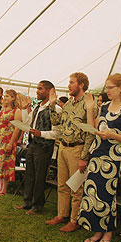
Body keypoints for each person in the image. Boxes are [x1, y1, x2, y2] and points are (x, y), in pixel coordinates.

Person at [78, 73, 121, 242]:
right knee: (93, 193)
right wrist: (90, 109)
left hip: (112, 159)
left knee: (106, 195)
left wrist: (113, 135)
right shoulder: (104, 106)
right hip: (97, 154)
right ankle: (97, 230)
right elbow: (94, 129)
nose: (107, 91)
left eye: (110, 87)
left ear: (120, 88)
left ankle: (108, 233)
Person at [45, 72, 98, 233]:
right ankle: (62, 215)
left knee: (76, 187)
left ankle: (75, 220)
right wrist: (52, 105)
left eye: (72, 82)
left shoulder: (89, 105)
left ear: (81, 85)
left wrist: (84, 156)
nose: (69, 85)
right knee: (62, 185)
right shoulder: (68, 104)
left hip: (78, 148)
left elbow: (91, 132)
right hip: (63, 147)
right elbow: (55, 122)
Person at [14, 81, 57, 214]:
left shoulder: (55, 109)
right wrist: (24, 109)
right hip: (32, 145)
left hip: (44, 147)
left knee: (39, 177)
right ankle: (27, 202)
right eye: (37, 88)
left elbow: (57, 132)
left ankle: (37, 205)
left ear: (49, 91)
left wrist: (41, 133)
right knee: (30, 174)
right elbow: (28, 123)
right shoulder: (38, 107)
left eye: (40, 89)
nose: (37, 91)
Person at [0, 89, 21, 196]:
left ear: (13, 98)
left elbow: (17, 128)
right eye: (5, 96)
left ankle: (4, 189)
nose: (5, 98)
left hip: (8, 139)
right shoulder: (2, 109)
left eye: (7, 96)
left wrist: (11, 143)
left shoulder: (16, 111)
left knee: (5, 162)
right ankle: (0, 187)